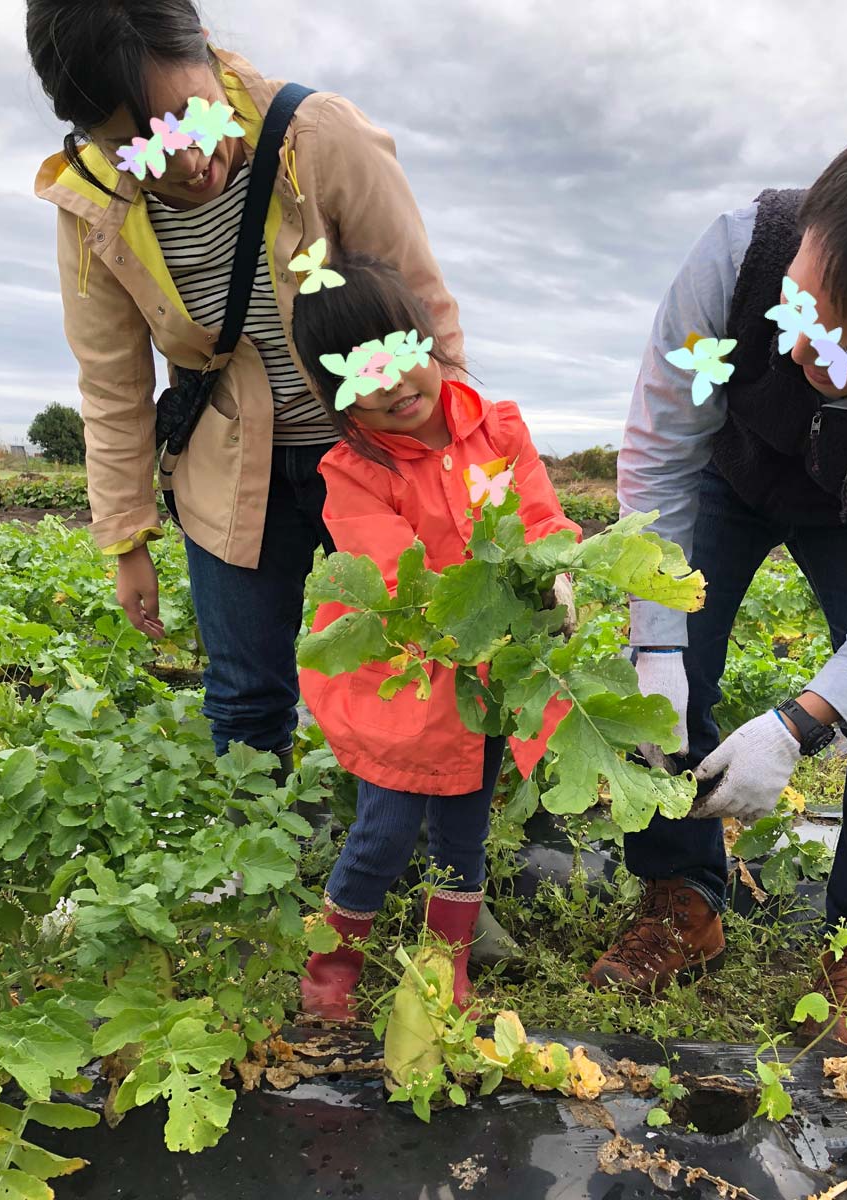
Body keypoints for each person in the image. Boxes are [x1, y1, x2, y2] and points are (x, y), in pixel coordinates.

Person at [588, 112, 847, 1053]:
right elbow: (658, 457)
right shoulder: (736, 252)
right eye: (800, 310)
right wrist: (655, 645)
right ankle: (680, 896)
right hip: (725, 477)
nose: (803, 353)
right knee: (669, 689)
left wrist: (802, 726)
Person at [28, 0, 462, 782]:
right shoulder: (92, 207)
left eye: (189, 117)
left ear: (209, 55)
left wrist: (457, 476)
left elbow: (425, 317)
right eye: (136, 144)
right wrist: (124, 537)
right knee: (245, 698)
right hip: (230, 469)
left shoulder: (319, 137)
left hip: (368, 458)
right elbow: (111, 382)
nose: (185, 161)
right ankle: (264, 879)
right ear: (91, 135)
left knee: (415, 668)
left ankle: (419, 866)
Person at [291, 253, 579, 1021]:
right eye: (363, 381)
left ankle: (445, 964)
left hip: (483, 674)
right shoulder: (353, 469)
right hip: (407, 673)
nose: (391, 389)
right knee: (383, 828)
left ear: (425, 339)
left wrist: (553, 573)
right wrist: (468, 609)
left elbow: (541, 520)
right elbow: (391, 576)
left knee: (465, 825)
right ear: (336, 396)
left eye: (398, 360)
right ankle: (328, 968)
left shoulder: (498, 430)